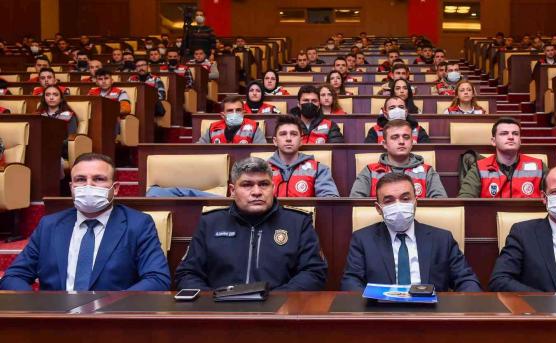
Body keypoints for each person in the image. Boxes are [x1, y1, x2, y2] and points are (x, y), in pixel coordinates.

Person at [0, 153, 171, 291]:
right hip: (55, 317)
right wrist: (38, 306)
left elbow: (157, 279)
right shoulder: (49, 225)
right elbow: (14, 276)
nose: (89, 186)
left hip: (112, 317)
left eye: (99, 179)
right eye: (81, 179)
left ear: (116, 188)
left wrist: (115, 305)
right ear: (71, 187)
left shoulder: (138, 224)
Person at [174, 157, 327, 291]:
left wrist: (277, 300)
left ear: (273, 188)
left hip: (280, 310)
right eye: (247, 185)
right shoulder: (210, 223)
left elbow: (313, 273)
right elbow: (187, 273)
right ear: (232, 190)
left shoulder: (298, 223)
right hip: (220, 309)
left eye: (264, 184)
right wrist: (214, 301)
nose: (256, 192)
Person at [342, 172, 480, 291]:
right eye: (389, 201)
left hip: (431, 310)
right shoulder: (363, 239)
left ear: (415, 202)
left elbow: (466, 280)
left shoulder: (442, 239)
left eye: (405, 199)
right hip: (382, 310)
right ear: (378, 208)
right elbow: (350, 282)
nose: (398, 206)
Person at [352, 120, 446, 198]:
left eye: (406, 137)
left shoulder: (427, 171)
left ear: (412, 142)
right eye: (395, 137)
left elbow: (440, 205)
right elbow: (357, 204)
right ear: (384, 144)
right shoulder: (369, 171)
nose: (401, 141)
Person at [458, 117, 547, 198]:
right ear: (493, 141)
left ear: (520, 141)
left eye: (515, 134)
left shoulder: (539, 166)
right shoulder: (479, 168)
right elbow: (465, 201)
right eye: (504, 133)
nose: (511, 137)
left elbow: (553, 197)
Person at [265, 115, 339, 197]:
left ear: (301, 141)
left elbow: (330, 200)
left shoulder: (319, 169)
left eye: (293, 134)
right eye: (283, 134)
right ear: (275, 141)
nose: (288, 138)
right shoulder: (262, 169)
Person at [199, 95, 265, 143]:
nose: (234, 113)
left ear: (243, 113)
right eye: (230, 111)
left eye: (238, 110)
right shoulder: (213, 128)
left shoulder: (253, 127)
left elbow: (261, 152)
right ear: (223, 115)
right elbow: (199, 150)